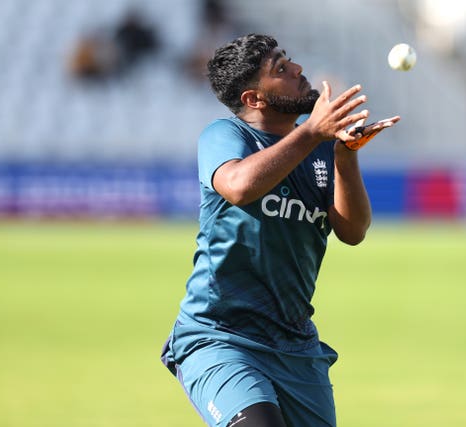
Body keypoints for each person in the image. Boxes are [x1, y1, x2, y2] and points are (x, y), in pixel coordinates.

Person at [161, 33, 400, 427]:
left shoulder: (320, 146)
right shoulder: (227, 136)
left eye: (289, 60)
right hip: (221, 336)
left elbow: (353, 230)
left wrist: (345, 155)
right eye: (281, 69)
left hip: (295, 344)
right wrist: (311, 134)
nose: (298, 69)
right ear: (254, 99)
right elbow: (239, 186)